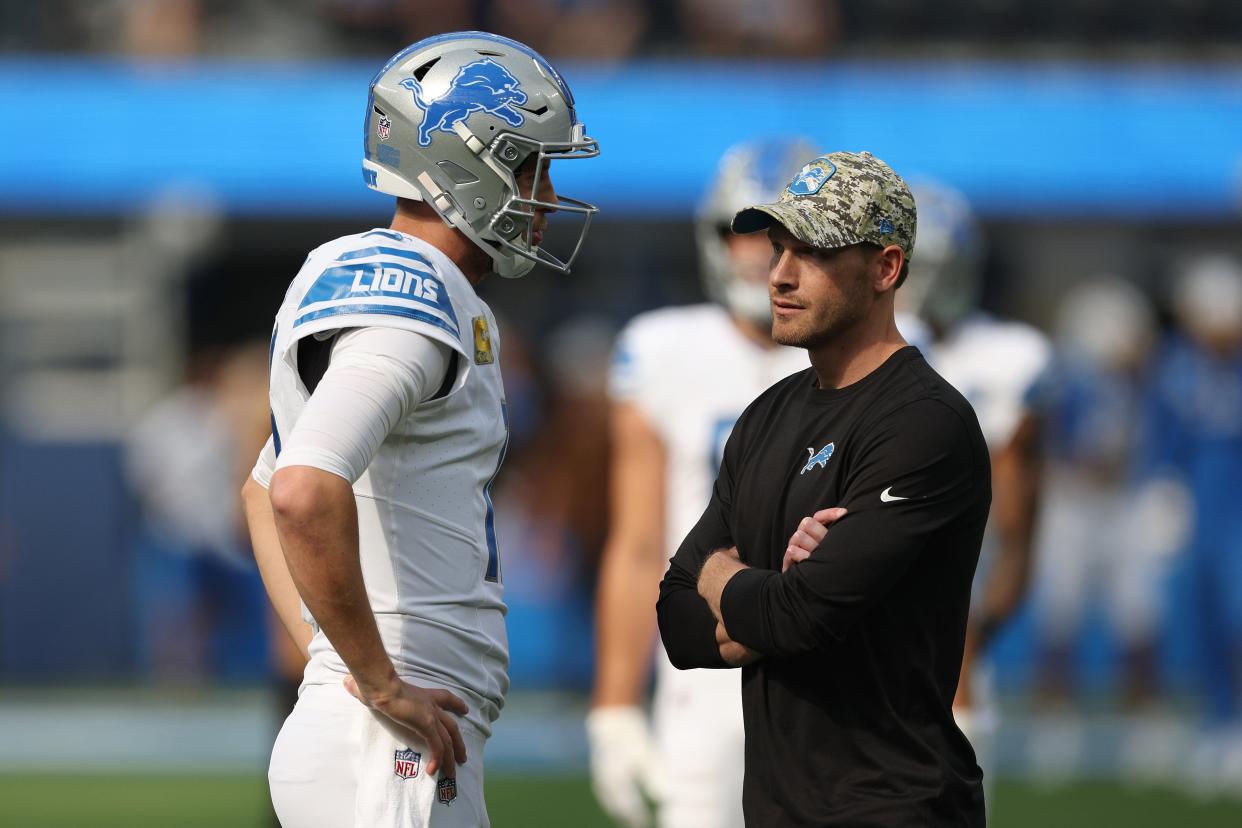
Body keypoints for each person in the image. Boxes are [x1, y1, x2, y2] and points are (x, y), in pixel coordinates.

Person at [239, 31, 599, 828]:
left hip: (383, 730)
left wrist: (329, 658)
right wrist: (371, 676)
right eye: (530, 165)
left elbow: (263, 487)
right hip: (388, 739)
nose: (543, 195)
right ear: (464, 161)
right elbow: (300, 491)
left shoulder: (408, 287)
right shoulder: (411, 301)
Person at [657, 151, 989, 826]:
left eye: (811, 252)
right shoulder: (768, 414)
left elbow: (797, 617)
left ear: (886, 268)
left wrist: (733, 579)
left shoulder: (925, 422)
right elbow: (676, 619)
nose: (777, 274)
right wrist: (770, 595)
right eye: (778, 248)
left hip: (896, 807)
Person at [588, 139, 814, 828]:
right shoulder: (663, 351)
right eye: (739, 230)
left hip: (846, 664)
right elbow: (637, 542)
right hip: (708, 665)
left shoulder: (885, 352)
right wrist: (614, 703)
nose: (756, 252)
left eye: (781, 233)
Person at [898, 180, 1051, 783]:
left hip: (952, 618)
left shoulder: (1009, 359)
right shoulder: (843, 349)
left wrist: (978, 632)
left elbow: (1018, 525)